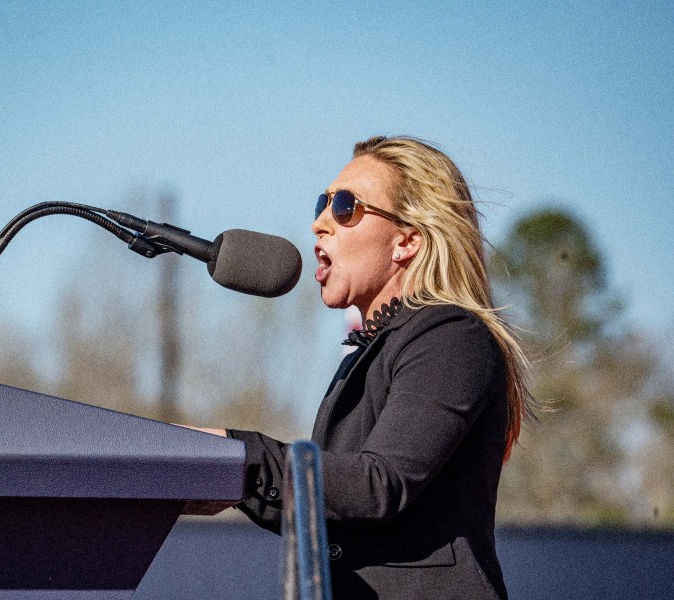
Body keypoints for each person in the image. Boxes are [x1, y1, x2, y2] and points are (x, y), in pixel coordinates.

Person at [188, 136, 534, 599]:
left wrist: (237, 455)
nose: (319, 223)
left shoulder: (452, 335)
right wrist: (215, 473)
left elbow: (377, 485)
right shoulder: (368, 354)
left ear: (407, 240)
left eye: (346, 207)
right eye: (323, 203)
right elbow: (335, 507)